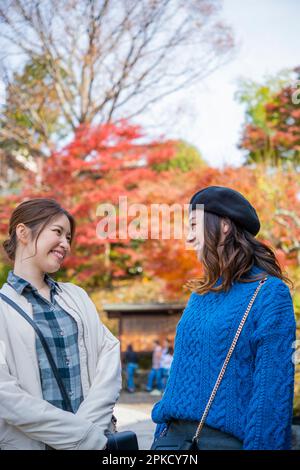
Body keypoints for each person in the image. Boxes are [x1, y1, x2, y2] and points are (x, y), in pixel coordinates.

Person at [151, 186, 296, 450]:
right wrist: (160, 438)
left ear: (225, 226)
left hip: (219, 442)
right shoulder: (201, 294)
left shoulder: (268, 293)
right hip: (170, 443)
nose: (189, 236)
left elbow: (271, 396)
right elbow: (178, 376)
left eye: (194, 224)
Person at [0, 198, 122, 450]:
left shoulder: (77, 296)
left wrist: (88, 431)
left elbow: (108, 360)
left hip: (94, 441)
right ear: (23, 232)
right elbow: (6, 396)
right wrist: (80, 436)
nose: (65, 244)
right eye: (57, 232)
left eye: (69, 237)